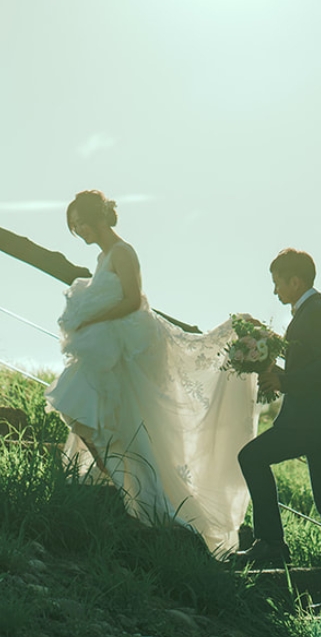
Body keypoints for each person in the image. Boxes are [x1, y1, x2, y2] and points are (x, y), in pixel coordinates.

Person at [45, 189, 258, 555]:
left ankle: (134, 492)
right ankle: (119, 484)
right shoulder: (102, 257)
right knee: (84, 413)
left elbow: (132, 300)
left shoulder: (124, 252)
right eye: (74, 226)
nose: (79, 231)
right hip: (108, 347)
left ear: (97, 218)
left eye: (80, 223)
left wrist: (89, 318)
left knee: (117, 422)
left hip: (129, 345)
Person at [233, 248, 321, 615]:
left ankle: (272, 542)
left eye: (278, 283)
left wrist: (287, 378)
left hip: (316, 424)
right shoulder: (308, 314)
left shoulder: (317, 313)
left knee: (252, 457)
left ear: (296, 280)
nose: (276, 292)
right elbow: (313, 364)